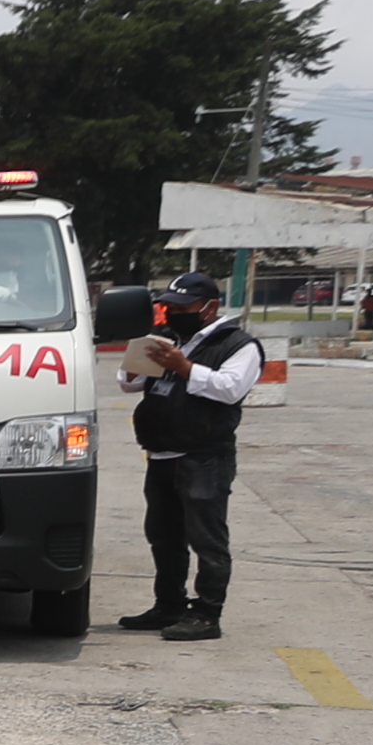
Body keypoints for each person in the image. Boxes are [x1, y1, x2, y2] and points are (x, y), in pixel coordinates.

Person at [117, 269, 263, 642]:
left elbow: (230, 389)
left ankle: (207, 614)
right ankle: (168, 604)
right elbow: (128, 383)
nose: (174, 312)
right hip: (162, 454)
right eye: (168, 306)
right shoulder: (168, 339)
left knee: (207, 538)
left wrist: (184, 367)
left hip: (204, 457)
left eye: (184, 306)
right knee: (163, 536)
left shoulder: (238, 345)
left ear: (210, 307)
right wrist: (138, 357)